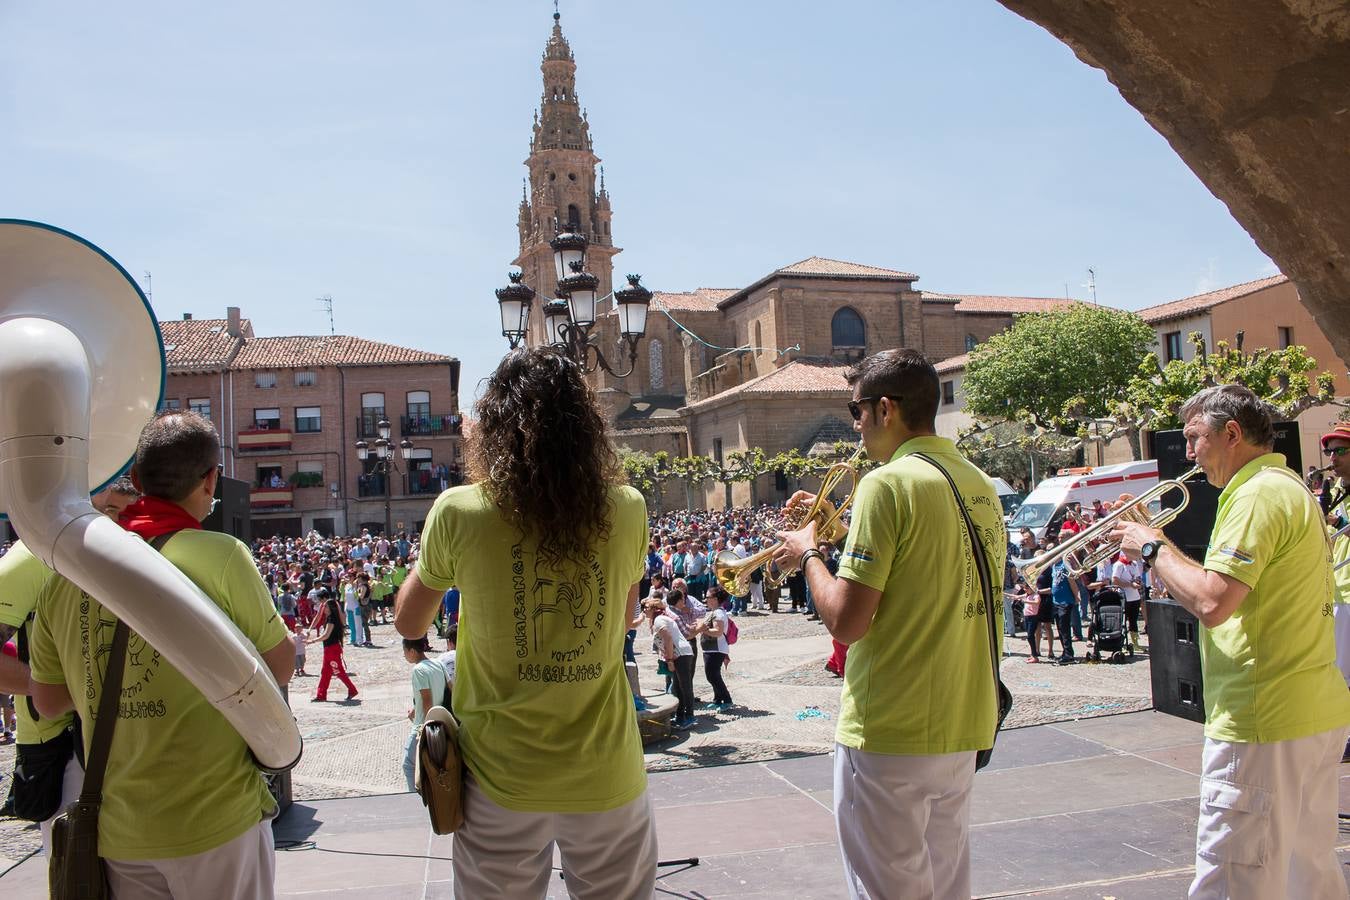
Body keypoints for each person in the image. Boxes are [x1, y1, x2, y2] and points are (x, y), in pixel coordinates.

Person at [394, 347, 656, 900]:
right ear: (587, 430)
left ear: (493, 429)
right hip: (605, 772)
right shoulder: (628, 507)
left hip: (499, 781)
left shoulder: (459, 510)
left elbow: (407, 619)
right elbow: (627, 616)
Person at [27, 411, 295, 898]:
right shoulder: (224, 555)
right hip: (217, 817)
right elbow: (278, 666)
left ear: (134, 479)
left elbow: (46, 702)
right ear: (211, 479)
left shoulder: (63, 576)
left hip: (120, 827)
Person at [773, 348, 1007, 900]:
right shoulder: (978, 483)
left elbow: (847, 623)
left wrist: (809, 552)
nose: (855, 428)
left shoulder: (886, 484)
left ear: (885, 410)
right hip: (964, 721)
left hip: (891, 729)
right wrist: (840, 528)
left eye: (857, 412)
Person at [1110, 384, 1350, 899]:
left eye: (1195, 438)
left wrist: (1149, 546)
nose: (1188, 452)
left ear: (1232, 434)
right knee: (1307, 876)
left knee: (1232, 880)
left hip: (1262, 717)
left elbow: (1213, 602)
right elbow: (1221, 588)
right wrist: (1159, 541)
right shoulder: (1284, 486)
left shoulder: (1255, 495)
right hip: (1307, 710)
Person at [401, 636, 448, 791]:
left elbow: (427, 699)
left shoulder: (419, 670)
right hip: (441, 722)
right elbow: (450, 688)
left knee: (409, 765)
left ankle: (414, 800)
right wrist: (415, 710)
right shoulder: (438, 664)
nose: (404, 655)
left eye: (405, 651)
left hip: (423, 727)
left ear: (412, 651)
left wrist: (427, 730)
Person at [644, 598, 695, 729]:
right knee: (678, 687)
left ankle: (689, 716)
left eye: (647, 607)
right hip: (681, 653)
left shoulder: (659, 620)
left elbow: (668, 638)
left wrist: (670, 660)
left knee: (685, 686)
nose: (644, 609)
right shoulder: (660, 619)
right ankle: (680, 716)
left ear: (655, 609)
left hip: (681, 654)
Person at [309, 595, 358, 702]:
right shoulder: (331, 618)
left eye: (326, 607)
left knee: (338, 671)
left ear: (330, 608)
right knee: (325, 672)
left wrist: (312, 641)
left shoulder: (331, 619)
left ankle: (352, 689)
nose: (324, 609)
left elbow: (326, 635)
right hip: (329, 649)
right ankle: (321, 695)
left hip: (332, 649)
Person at [694, 587, 734, 709]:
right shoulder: (715, 612)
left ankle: (727, 700)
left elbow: (718, 631)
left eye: (708, 597)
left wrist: (703, 629)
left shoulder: (718, 614)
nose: (706, 599)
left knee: (712, 675)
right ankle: (717, 699)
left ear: (715, 599)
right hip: (711, 649)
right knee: (713, 674)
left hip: (716, 649)